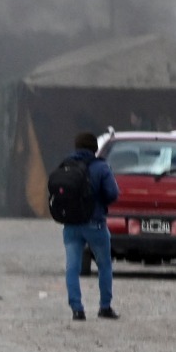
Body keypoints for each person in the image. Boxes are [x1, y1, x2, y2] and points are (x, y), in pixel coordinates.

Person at [60, 131, 120, 321]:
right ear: (95, 148)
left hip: (71, 224)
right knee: (104, 265)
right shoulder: (101, 168)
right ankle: (104, 306)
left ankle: (77, 309)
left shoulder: (66, 165)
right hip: (95, 224)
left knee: (72, 267)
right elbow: (113, 193)